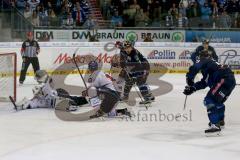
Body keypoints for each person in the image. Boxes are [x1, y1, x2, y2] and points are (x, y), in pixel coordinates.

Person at [183, 50, 236, 135]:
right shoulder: (211, 66)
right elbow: (204, 82)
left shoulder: (206, 60)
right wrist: (192, 88)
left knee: (209, 100)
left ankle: (215, 125)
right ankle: (220, 120)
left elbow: (195, 67)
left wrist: (189, 78)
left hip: (223, 79)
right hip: (230, 81)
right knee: (217, 102)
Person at [15, 70, 88, 111]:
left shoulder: (47, 84)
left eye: (38, 78)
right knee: (75, 99)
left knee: (75, 99)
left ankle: (87, 100)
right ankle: (86, 100)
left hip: (58, 96)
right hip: (57, 98)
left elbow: (52, 93)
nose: (37, 80)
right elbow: (33, 102)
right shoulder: (46, 84)